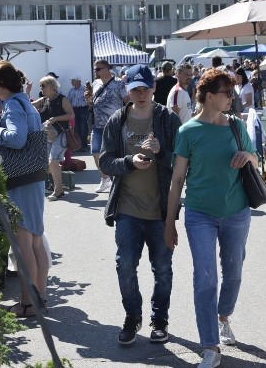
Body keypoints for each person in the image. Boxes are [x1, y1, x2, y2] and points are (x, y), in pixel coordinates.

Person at [165, 68, 257, 368]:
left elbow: (255, 157)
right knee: (205, 277)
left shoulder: (235, 126)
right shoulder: (188, 131)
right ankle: (209, 346)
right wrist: (170, 223)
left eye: (232, 92)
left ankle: (223, 316)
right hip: (199, 213)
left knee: (234, 272)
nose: (232, 97)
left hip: (237, 211)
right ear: (208, 96)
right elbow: (177, 180)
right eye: (226, 93)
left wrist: (248, 157)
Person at [99, 64, 181, 346]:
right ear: (128, 90)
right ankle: (132, 316)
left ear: (154, 88)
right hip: (127, 209)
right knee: (125, 265)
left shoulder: (168, 119)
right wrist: (129, 163)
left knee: (162, 268)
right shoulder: (118, 121)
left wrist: (161, 153)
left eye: (145, 88)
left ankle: (159, 320)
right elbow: (104, 161)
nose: (141, 93)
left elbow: (183, 164)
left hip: (160, 210)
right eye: (135, 89)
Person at [0, 60, 48, 318]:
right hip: (34, 176)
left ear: (1, 84)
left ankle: (27, 303)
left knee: (24, 244)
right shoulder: (24, 101)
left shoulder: (12, 104)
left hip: (20, 179)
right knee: (35, 240)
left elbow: (16, 138)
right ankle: (39, 298)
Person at [87, 59, 129, 193]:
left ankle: (117, 179)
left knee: (115, 153)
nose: (95, 71)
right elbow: (91, 104)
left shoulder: (119, 84)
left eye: (98, 69)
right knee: (95, 152)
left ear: (106, 69)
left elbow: (127, 101)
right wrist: (88, 99)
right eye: (95, 69)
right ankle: (105, 179)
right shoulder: (95, 83)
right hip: (97, 124)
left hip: (114, 125)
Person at [32, 75, 75, 201]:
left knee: (53, 161)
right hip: (48, 135)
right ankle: (56, 185)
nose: (41, 88)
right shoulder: (43, 100)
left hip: (61, 134)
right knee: (49, 163)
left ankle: (59, 190)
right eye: (40, 86)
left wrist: (56, 119)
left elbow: (71, 115)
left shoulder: (62, 99)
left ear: (52, 87)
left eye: (43, 86)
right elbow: (29, 105)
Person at [67, 76, 89, 151]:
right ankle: (78, 145)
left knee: (83, 127)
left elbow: (88, 99)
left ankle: (84, 145)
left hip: (83, 109)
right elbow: (68, 100)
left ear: (77, 81)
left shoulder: (84, 89)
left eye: (72, 80)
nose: (71, 82)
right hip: (74, 110)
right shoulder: (71, 90)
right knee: (76, 128)